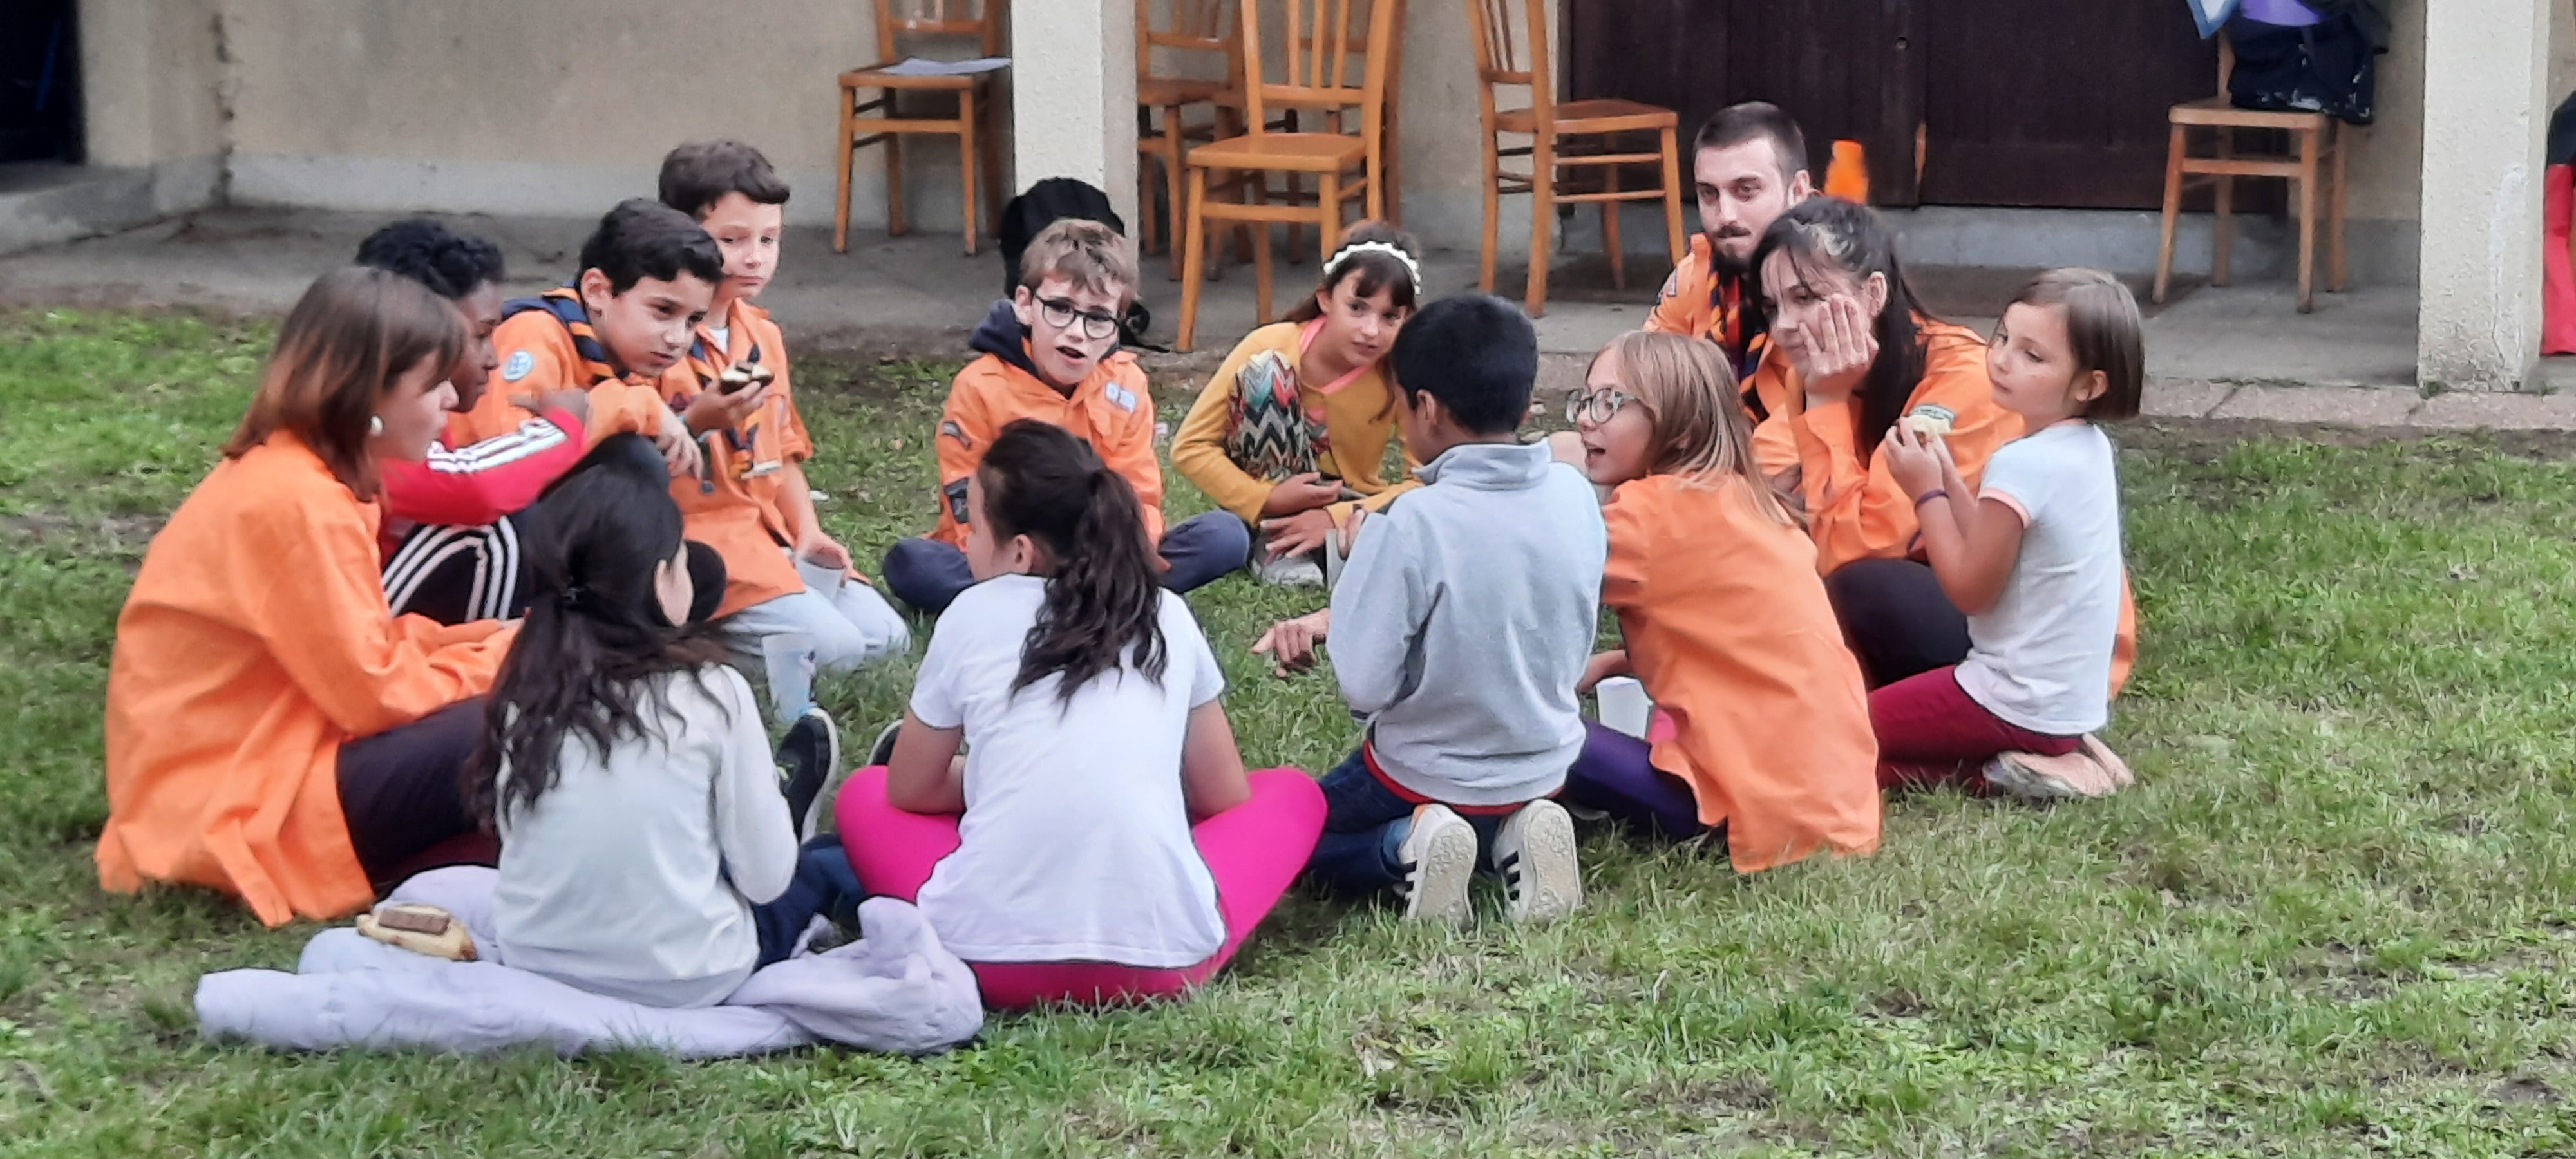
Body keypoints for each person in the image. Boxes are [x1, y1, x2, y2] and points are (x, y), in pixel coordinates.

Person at [834, 420, 1326, 1009]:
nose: (962, 542)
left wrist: (989, 775)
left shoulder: (970, 613)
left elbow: (910, 790)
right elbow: (1223, 794)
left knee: (867, 791)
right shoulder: (1166, 613)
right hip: (1164, 966)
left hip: (977, 958)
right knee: (1293, 794)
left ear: (1019, 552)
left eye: (973, 525)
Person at [99, 268, 513, 926]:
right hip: (230, 798)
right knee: (505, 716)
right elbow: (375, 695)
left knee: (515, 694)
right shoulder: (297, 497)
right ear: (367, 394)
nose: (451, 403)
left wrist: (487, 642)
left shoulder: (313, 474)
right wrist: (508, 661)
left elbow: (363, 648)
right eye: (433, 384)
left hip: (276, 755)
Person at [1255, 295, 1605, 926]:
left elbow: (1364, 683)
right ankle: (1518, 831)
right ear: (1525, 405)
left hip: (1421, 775)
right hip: (1547, 763)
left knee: (1301, 843)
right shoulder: (1574, 493)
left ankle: (1407, 847)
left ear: (1425, 408)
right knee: (1487, 808)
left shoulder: (1411, 521)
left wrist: (1352, 597)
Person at [469, 465, 854, 1008]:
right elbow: (765, 884)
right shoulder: (713, 691)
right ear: (658, 581)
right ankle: (785, 811)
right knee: (812, 868)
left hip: (535, 961)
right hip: (690, 974)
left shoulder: (521, 684)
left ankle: (757, 813)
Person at [1750, 198, 2139, 692]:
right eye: (1772, 307)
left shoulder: (1966, 381)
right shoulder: (1817, 376)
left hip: (2048, 648)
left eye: (1806, 299)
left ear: (1873, 295)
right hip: (1957, 604)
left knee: (1862, 588)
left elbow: (1854, 548)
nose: (1784, 326)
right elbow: (1766, 482)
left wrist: (1827, 404)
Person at [1557, 332, 1880, 867]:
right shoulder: (1745, 498)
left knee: (1517, 724)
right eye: (1587, 400)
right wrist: (1615, 662)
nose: (1588, 417)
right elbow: (1735, 644)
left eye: (1611, 402)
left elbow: (1520, 583)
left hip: (1756, 814)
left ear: (1676, 424)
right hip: (1835, 807)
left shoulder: (1650, 515)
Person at [878, 219, 1252, 614]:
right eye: (1059, 309)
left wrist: (1122, 556)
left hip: (1100, 557)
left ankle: (1076, 602)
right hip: (1009, 561)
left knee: (1226, 536)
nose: (1077, 332)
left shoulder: (1127, 383)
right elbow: (967, 506)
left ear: (1117, 329)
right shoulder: (979, 386)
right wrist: (1029, 564)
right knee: (913, 564)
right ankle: (1093, 606)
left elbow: (1138, 496)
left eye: (1097, 318)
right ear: (1025, 304)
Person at [1874, 269, 2142, 799]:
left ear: (2090, 384)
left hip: (2009, 698)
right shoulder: (2086, 447)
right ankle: (2065, 755)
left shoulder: (2023, 464)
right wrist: (1949, 478)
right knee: (1870, 746)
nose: (2000, 359)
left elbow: (1972, 589)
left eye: (2033, 356)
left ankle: (2050, 772)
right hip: (2064, 706)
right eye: (2002, 337)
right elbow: (1997, 551)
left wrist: (1925, 493)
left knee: (1836, 740)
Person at [654, 140, 908, 672]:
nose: (756, 256)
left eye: (769, 239)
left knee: (887, 639)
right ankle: (680, 636)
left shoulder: (761, 334)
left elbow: (785, 451)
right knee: (835, 652)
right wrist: (696, 423)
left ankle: (772, 619)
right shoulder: (659, 339)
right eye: (733, 239)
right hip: (703, 547)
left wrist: (808, 532)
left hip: (770, 539)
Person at [357, 218, 592, 624]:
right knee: (488, 531)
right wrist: (562, 428)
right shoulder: (363, 424)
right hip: (352, 639)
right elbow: (471, 486)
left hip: (366, 630)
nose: (493, 359)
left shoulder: (400, 404)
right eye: (480, 336)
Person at [1171, 221, 1423, 586]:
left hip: (1349, 501)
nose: (1371, 330)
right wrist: (1265, 498)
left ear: (1408, 319)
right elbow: (1189, 447)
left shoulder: (1401, 372)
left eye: (1390, 317)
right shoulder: (1269, 343)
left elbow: (1424, 480)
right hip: (1267, 493)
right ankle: (1275, 541)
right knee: (1266, 373)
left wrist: (1337, 516)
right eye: (1357, 307)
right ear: (1325, 299)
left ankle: (1326, 545)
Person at [454, 198, 714, 479]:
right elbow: (507, 457)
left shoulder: (632, 358)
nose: (678, 338)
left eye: (693, 321)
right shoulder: (536, 333)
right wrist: (637, 404)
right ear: (597, 291)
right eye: (663, 311)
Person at [1644, 102, 1814, 385]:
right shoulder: (1694, 277)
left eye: (1746, 191)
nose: (1725, 216)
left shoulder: (1844, 279)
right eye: (1709, 194)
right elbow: (1645, 377)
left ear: (1798, 191)